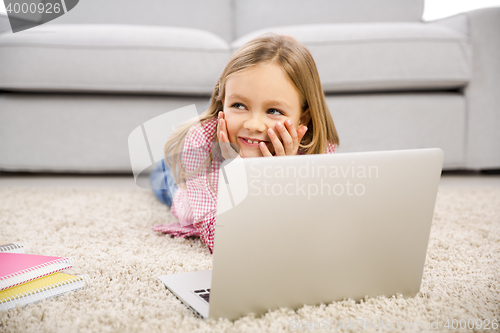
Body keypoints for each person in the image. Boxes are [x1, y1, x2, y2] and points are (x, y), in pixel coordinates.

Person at [150, 33, 339, 253]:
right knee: (163, 178)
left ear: (303, 119)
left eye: (274, 111)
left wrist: (283, 174)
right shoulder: (199, 142)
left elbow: (307, 226)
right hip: (191, 178)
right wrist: (236, 174)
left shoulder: (316, 147)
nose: (254, 124)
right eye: (239, 105)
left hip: (233, 138)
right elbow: (223, 241)